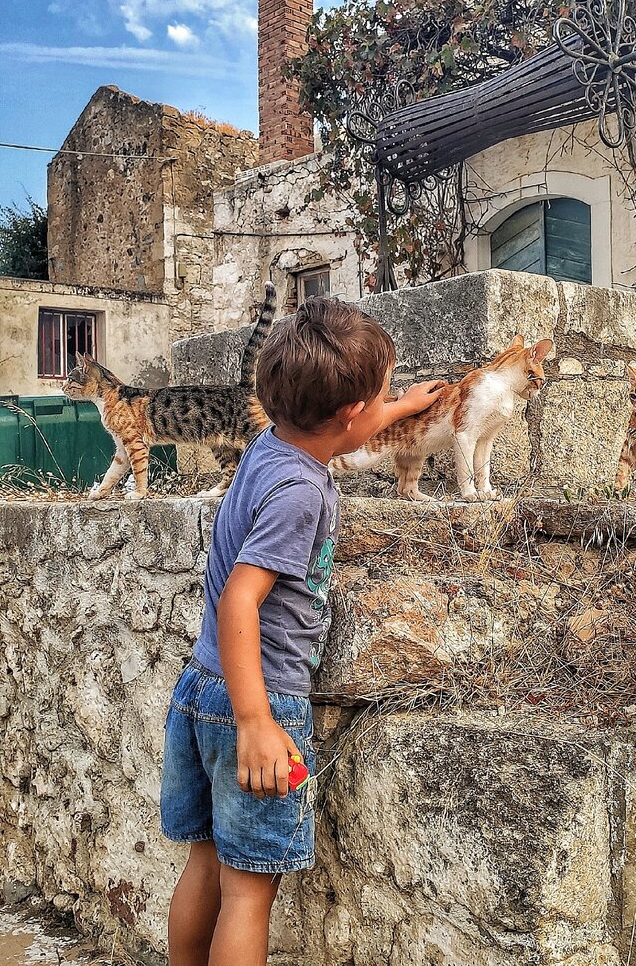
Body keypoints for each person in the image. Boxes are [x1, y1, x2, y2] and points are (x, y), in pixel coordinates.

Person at [159, 296, 444, 966]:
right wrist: (260, 723)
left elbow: (330, 444)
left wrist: (397, 407)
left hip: (203, 686)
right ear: (349, 414)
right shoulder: (302, 494)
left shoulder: (273, 445)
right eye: (376, 400)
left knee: (204, 863)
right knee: (249, 892)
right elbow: (240, 602)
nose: (380, 409)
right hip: (256, 703)